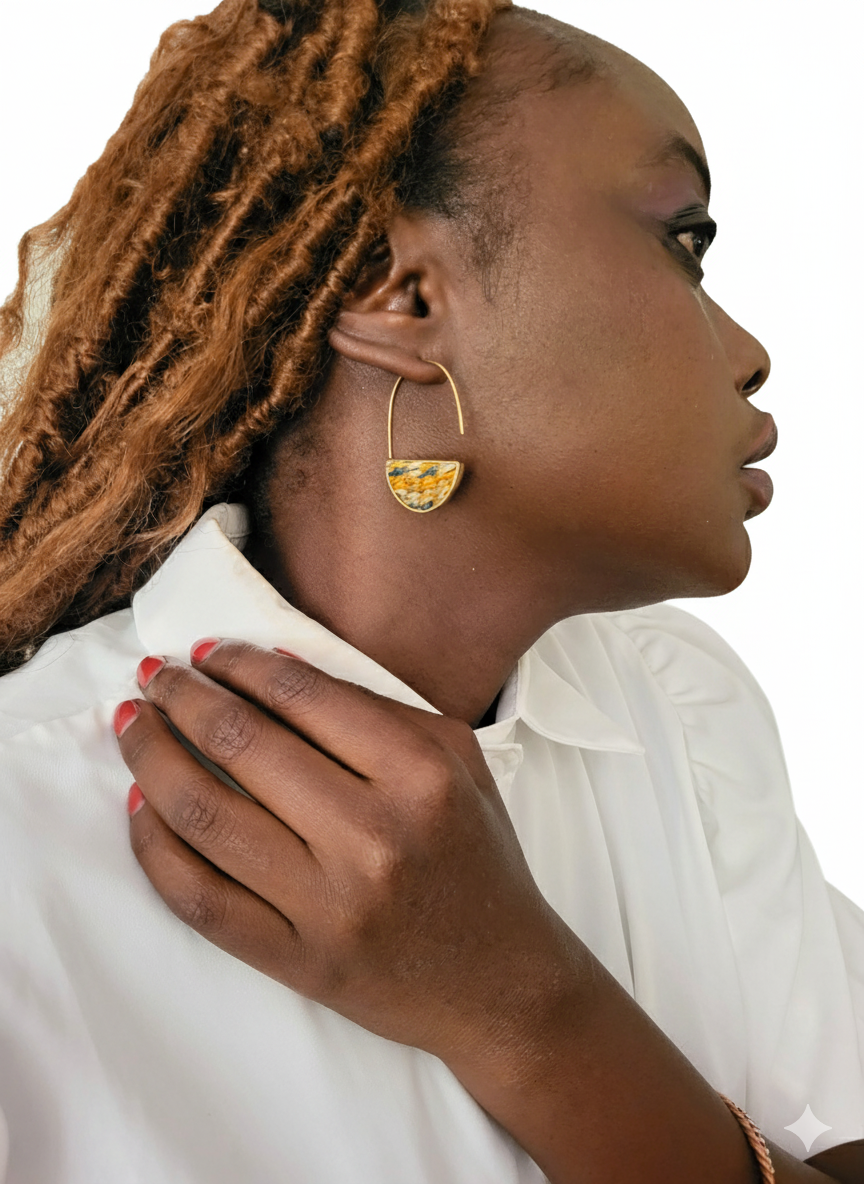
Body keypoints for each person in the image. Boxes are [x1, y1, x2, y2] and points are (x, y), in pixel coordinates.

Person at [0, 0, 862, 1180]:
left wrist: (521, 1002)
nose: (750, 351)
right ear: (399, 297)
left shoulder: (681, 709)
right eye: (683, 240)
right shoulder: (22, 828)